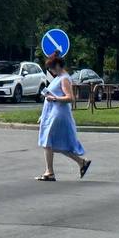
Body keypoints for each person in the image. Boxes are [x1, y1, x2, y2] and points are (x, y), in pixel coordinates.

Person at [37, 53, 90, 181]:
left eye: (51, 67)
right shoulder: (58, 77)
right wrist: (42, 115)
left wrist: (54, 98)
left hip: (58, 114)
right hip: (52, 113)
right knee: (56, 144)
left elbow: (70, 98)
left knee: (48, 142)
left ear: (57, 66)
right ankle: (81, 162)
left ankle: (49, 172)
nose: (50, 70)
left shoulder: (64, 78)